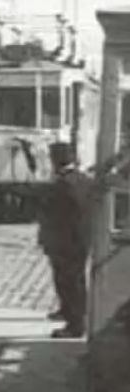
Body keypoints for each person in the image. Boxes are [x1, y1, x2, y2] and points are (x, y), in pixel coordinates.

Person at [39, 142, 130, 338]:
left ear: (55, 160)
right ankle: (68, 311)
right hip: (75, 240)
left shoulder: (64, 184)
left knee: (70, 282)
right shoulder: (80, 179)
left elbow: (57, 215)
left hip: (66, 241)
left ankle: (75, 325)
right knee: (67, 280)